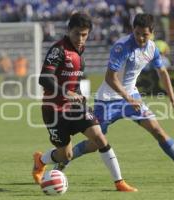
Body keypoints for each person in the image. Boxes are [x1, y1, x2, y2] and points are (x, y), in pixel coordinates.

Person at [56, 13, 174, 182]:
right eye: (137, 33)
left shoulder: (152, 48)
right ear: (133, 30)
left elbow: (162, 72)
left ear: (152, 33)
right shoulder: (122, 47)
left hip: (131, 97)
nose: (141, 38)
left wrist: (172, 97)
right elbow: (110, 78)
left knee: (158, 131)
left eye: (145, 34)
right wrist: (128, 98)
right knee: (94, 144)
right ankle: (63, 161)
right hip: (107, 100)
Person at [32, 12, 137, 192]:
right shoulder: (58, 50)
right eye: (77, 34)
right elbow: (44, 79)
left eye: (84, 35)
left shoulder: (80, 54)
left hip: (76, 108)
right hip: (54, 110)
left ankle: (119, 182)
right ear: (69, 31)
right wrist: (67, 93)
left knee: (99, 139)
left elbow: (75, 83)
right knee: (66, 155)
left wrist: (78, 96)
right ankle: (41, 161)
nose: (81, 39)